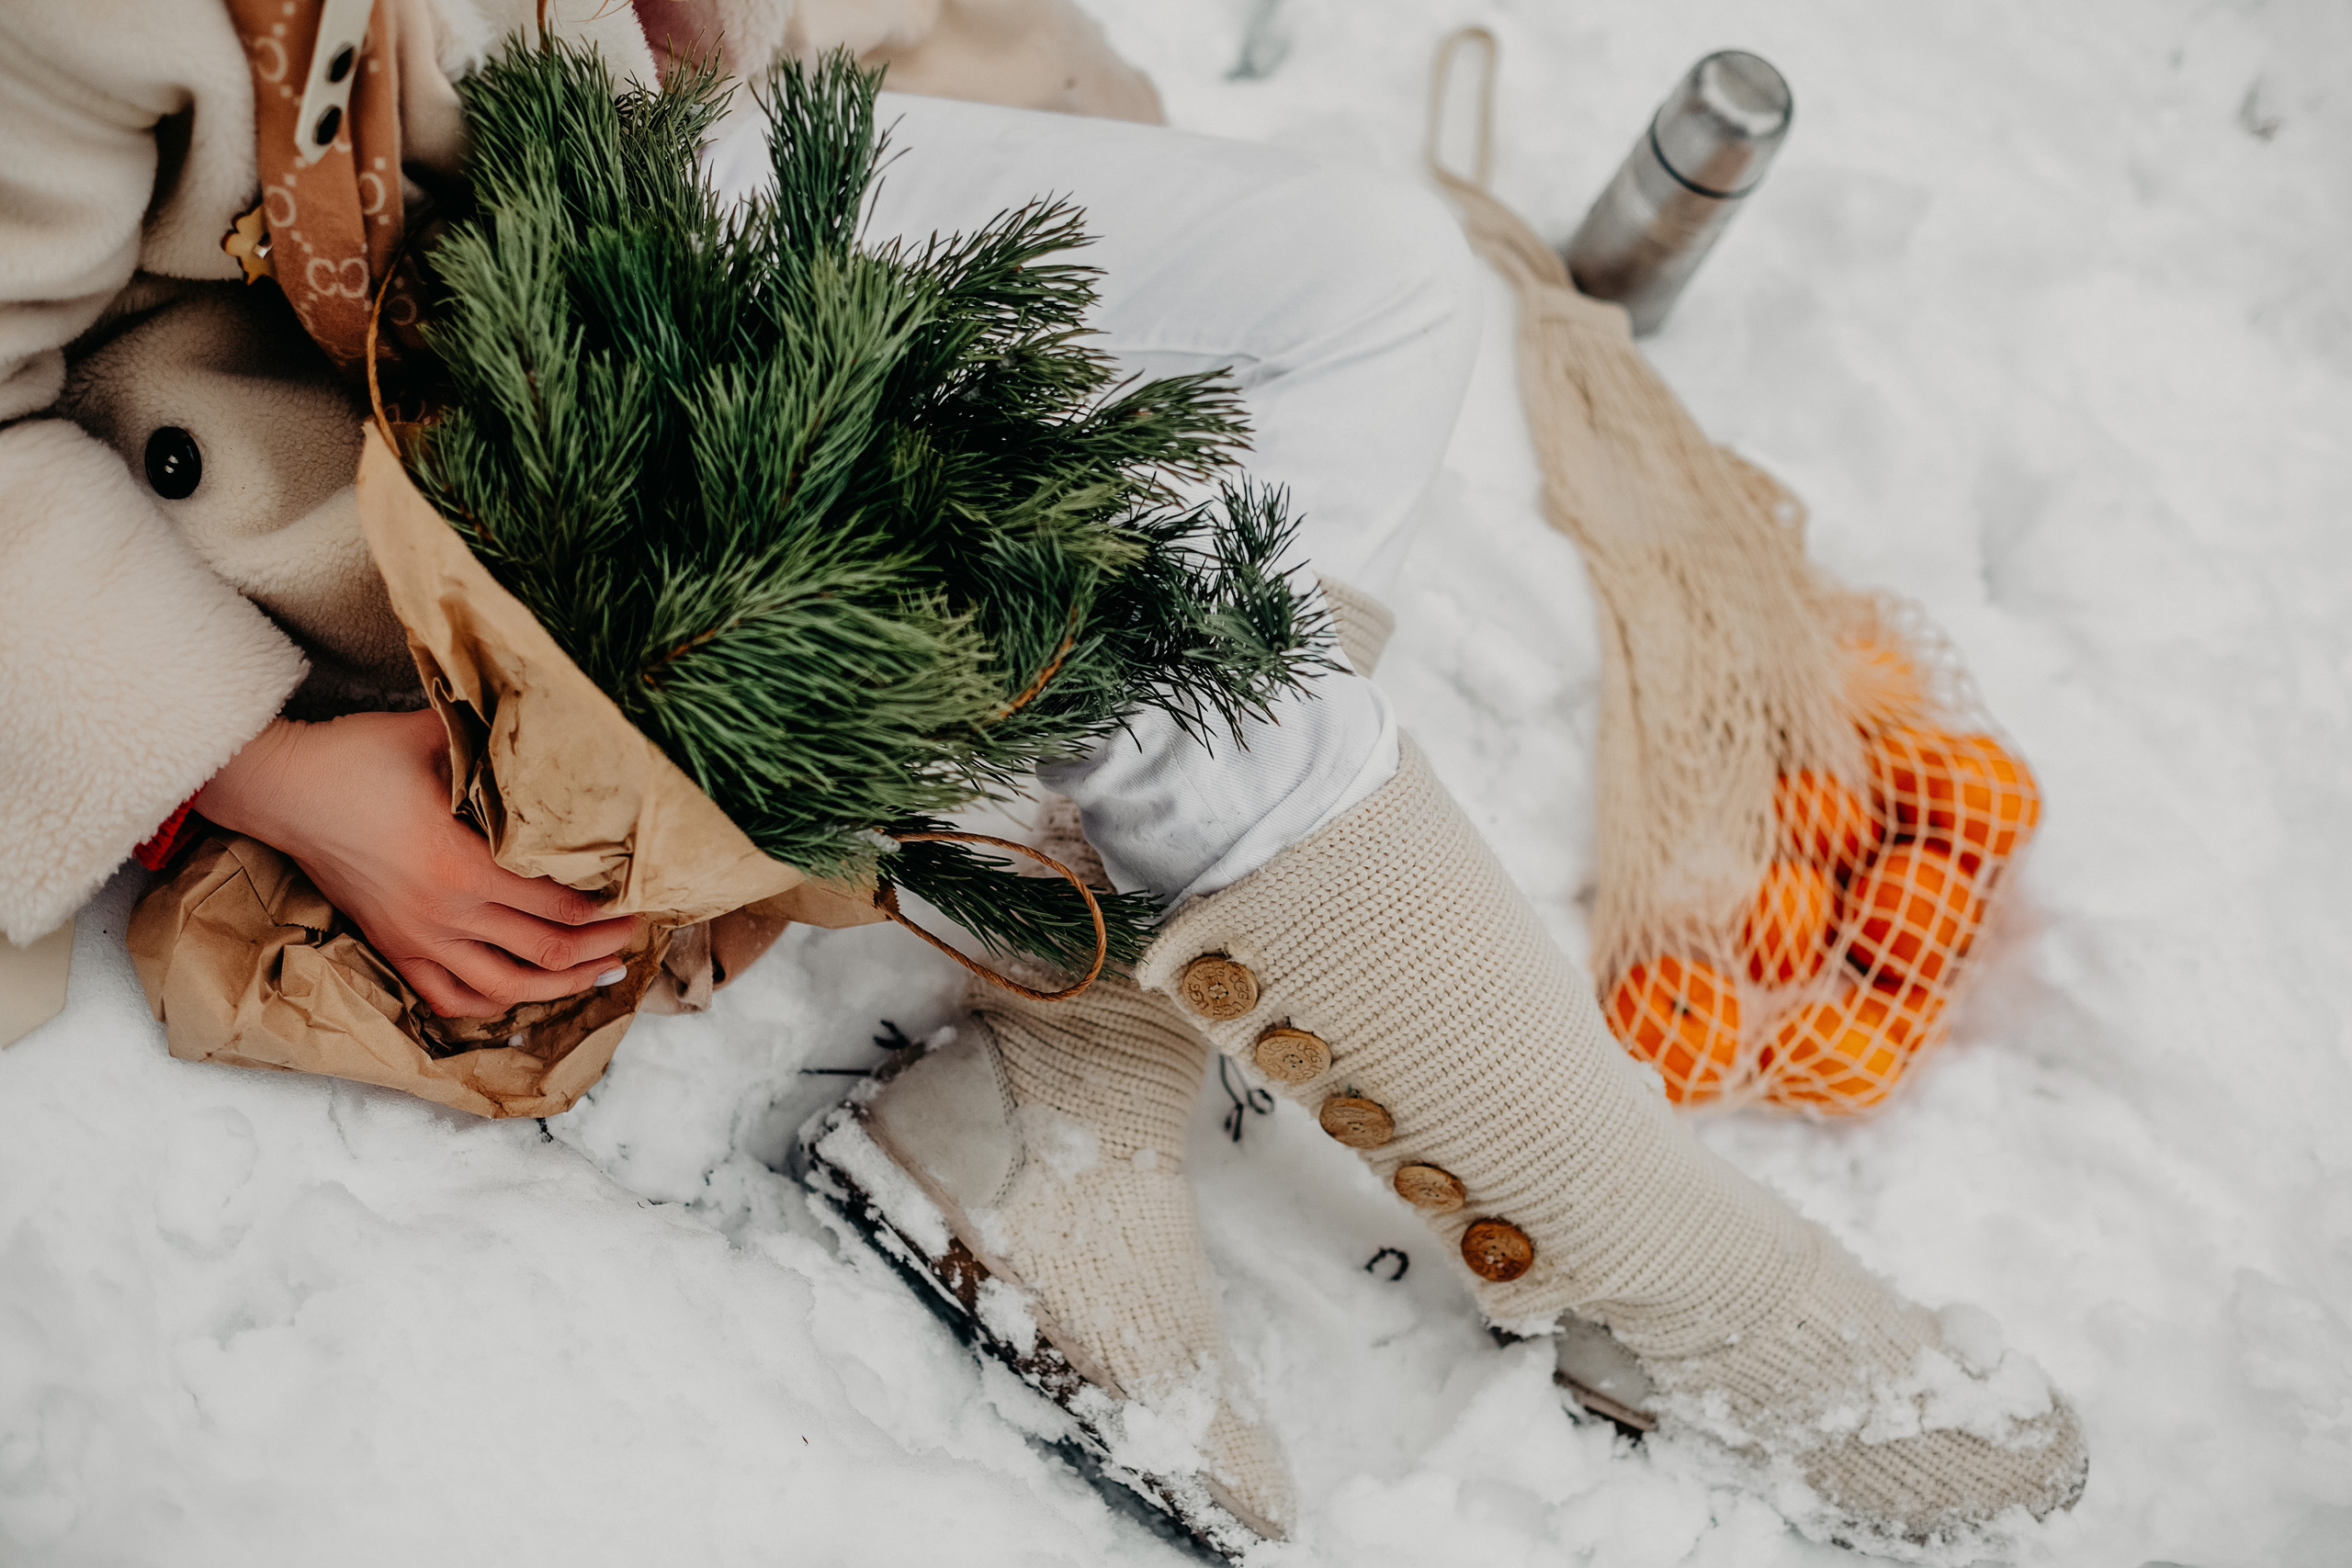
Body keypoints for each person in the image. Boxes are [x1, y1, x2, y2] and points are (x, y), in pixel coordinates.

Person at [0, 0, 2087, 1554]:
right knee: (1044, 535)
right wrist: (268, 769)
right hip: (411, 421)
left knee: (1358, 283)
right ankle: (1666, 1259)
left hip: (654, 200)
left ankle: (1058, 1095)